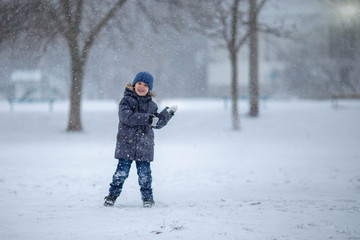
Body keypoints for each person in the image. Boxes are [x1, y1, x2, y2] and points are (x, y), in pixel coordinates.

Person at [104, 71, 177, 208]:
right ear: (134, 84)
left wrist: (168, 114)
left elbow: (156, 123)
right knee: (121, 173)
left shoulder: (152, 106)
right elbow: (127, 117)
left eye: (145, 85)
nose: (141, 87)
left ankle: (147, 198)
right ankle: (112, 196)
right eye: (139, 83)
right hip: (126, 144)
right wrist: (146, 118)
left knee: (145, 176)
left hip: (144, 146)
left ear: (149, 89)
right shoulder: (125, 101)